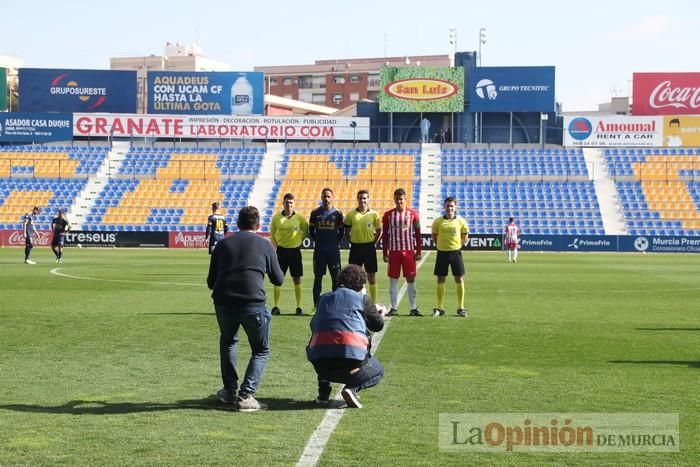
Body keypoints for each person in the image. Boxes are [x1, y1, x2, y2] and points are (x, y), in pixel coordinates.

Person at [207, 206, 284, 411]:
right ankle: (246, 394)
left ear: (237, 224)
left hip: (223, 302)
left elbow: (210, 281)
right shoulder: (265, 244)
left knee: (228, 342)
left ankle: (229, 391)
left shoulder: (223, 244)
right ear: (258, 225)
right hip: (252, 303)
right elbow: (278, 279)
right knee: (260, 350)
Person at [306, 264, 387, 408]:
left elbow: (314, 326)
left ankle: (323, 393)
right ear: (360, 285)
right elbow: (377, 326)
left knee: (324, 343)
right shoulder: (363, 299)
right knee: (378, 370)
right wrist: (378, 312)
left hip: (320, 363)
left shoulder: (323, 299)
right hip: (350, 363)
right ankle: (352, 388)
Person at [382, 188, 422, 316]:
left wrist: (419, 251)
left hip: (408, 251)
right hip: (393, 252)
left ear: (405, 200)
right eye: (397, 199)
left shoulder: (413, 215)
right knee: (393, 279)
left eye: (401, 199)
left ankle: (413, 308)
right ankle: (393, 308)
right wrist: (384, 252)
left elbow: (418, 235)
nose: (399, 201)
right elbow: (385, 235)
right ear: (394, 199)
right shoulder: (388, 215)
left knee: (411, 279)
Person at [270, 193, 308, 316]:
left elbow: (305, 230)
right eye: (287, 202)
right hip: (281, 251)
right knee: (278, 279)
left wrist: (299, 240)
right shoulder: (276, 218)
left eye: (291, 202)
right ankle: (276, 306)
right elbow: (272, 234)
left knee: (297, 279)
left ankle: (299, 307)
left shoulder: (299, 218)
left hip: (295, 251)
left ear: (293, 203)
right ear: (283, 203)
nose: (289, 205)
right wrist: (277, 245)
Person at [431, 197, 469, 318]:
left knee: (459, 279)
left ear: (455, 207)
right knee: (440, 279)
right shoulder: (438, 221)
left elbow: (465, 235)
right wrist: (439, 245)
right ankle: (440, 307)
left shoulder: (461, 221)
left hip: (455, 253)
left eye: (452, 206)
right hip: (442, 253)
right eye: (448, 206)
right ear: (444, 207)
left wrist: (459, 245)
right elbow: (434, 235)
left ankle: (461, 307)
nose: (450, 208)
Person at [309, 187, 344, 310]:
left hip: (333, 251)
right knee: (318, 278)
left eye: (329, 196)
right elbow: (311, 231)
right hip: (319, 251)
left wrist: (333, 242)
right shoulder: (315, 213)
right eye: (324, 196)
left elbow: (341, 232)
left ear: (332, 198)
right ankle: (316, 306)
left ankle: (335, 307)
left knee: (336, 278)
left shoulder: (338, 214)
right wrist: (320, 241)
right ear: (321, 197)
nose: (326, 198)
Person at [344, 190, 382, 302]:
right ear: (357, 199)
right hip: (355, 248)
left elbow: (379, 231)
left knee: (371, 276)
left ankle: (373, 303)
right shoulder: (351, 214)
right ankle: (355, 302)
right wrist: (352, 241)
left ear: (368, 199)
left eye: (365, 198)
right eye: (360, 198)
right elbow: (346, 231)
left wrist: (373, 243)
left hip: (369, 248)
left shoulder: (374, 214)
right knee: (354, 277)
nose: (362, 200)